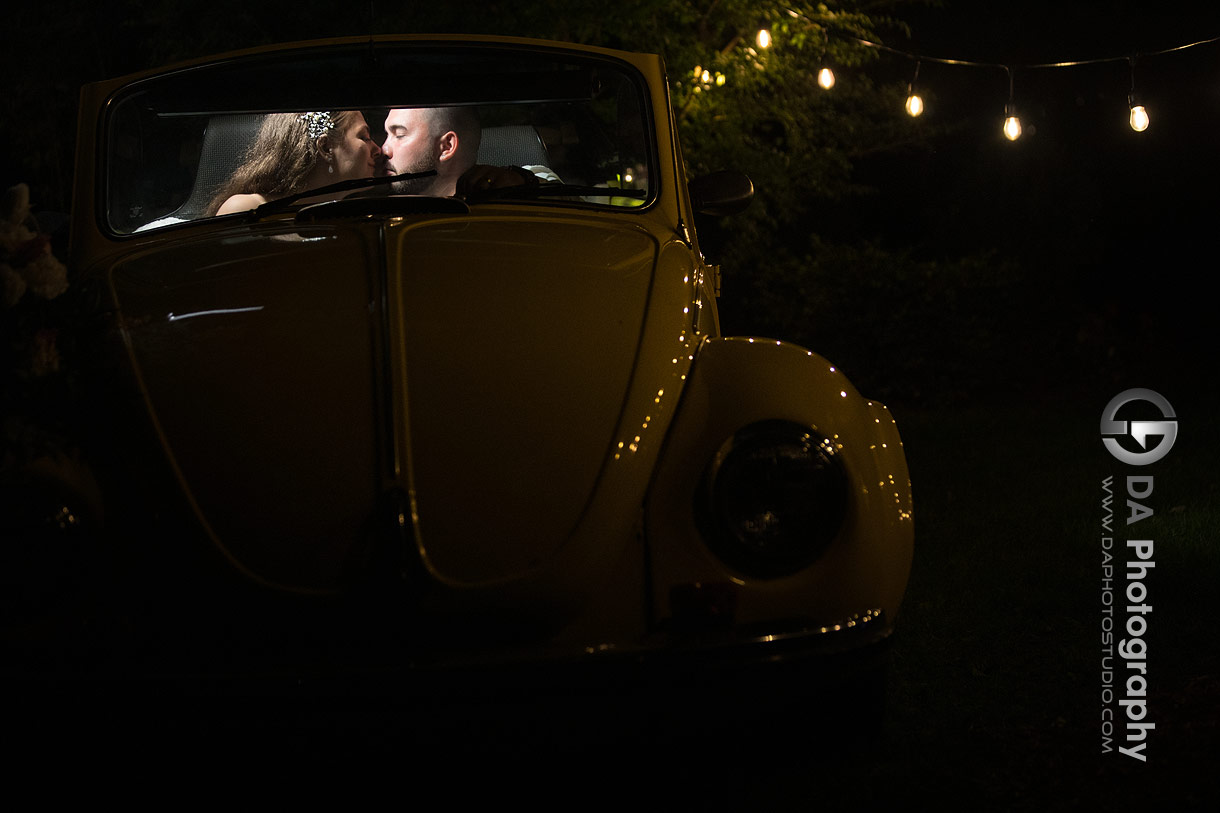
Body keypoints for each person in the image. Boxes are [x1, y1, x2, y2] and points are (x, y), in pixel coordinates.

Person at [207, 110, 382, 216]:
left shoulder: (353, 216)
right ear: (326, 147)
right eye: (364, 137)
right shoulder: (247, 209)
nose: (378, 149)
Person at [382, 106, 552, 196]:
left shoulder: (525, 183)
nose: (384, 149)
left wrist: (523, 183)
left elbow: (567, 199)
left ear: (447, 147)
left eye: (399, 135)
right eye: (387, 134)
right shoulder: (371, 206)